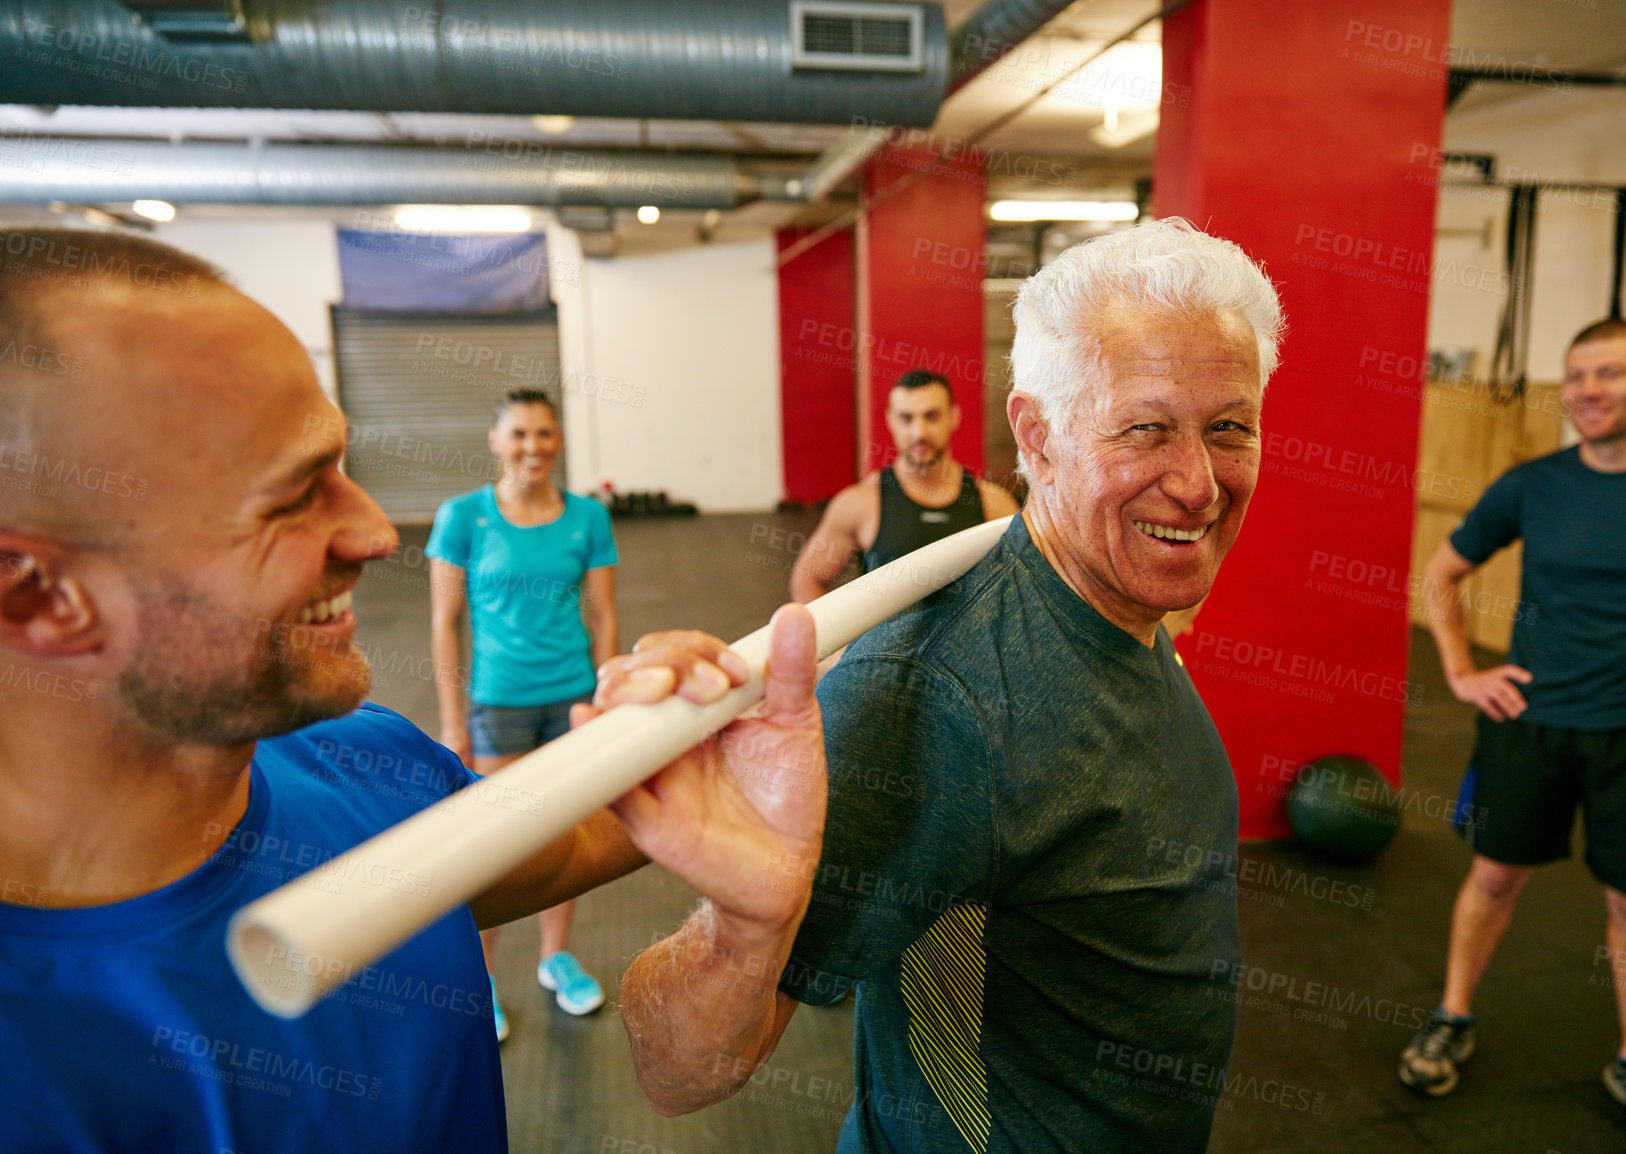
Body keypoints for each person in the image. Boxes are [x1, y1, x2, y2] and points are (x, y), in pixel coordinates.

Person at [0, 229, 827, 1154]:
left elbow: (564, 840)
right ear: (37, 592)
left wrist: (711, 749)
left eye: (341, 470)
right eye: (289, 499)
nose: (374, 535)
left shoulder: (373, 763)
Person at [610, 220, 1287, 1152]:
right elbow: (679, 1072)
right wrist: (743, 928)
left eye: (1229, 429)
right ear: (1036, 439)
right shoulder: (941, 697)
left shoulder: (1115, 606)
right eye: (1145, 429)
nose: (1201, 484)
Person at [1399, 318, 1626, 1153]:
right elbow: (1442, 574)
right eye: (1577, 374)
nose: (1588, 389)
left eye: (1610, 373)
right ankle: (1452, 1015)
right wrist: (1462, 672)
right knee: (1495, 875)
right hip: (1530, 726)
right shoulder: (1531, 484)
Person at [430, 388, 618, 1040]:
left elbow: (605, 615)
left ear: (558, 439)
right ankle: (480, 978)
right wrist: (453, 721)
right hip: (498, 701)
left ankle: (556, 958)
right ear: (495, 441)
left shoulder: (589, 517)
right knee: (499, 845)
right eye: (519, 435)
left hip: (570, 698)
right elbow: (443, 624)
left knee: (562, 833)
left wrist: (605, 699)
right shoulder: (463, 517)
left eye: (544, 434)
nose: (532, 447)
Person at [790, 369, 1019, 603]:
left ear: (953, 416)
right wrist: (844, 641)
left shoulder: (995, 504)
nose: (919, 432)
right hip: (889, 640)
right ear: (890, 420)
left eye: (931, 416)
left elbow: (1020, 589)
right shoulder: (860, 503)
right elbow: (807, 579)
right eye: (906, 418)